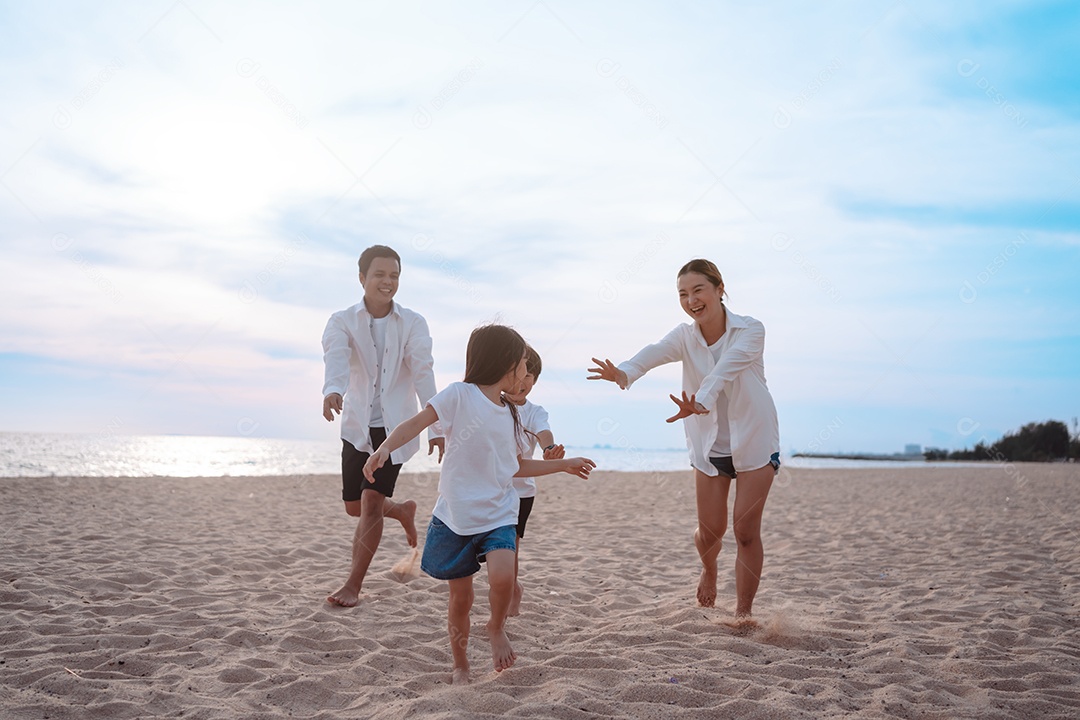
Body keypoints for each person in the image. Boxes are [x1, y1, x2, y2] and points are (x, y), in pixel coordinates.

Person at [364, 324, 595, 684]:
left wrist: (562, 465)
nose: (525, 372)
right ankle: (461, 665)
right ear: (503, 363)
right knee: (461, 600)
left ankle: (496, 627)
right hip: (456, 515)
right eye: (521, 363)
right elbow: (416, 423)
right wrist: (385, 448)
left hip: (499, 511)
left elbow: (515, 466)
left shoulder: (512, 413)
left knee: (503, 575)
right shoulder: (458, 395)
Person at [587, 258, 780, 627]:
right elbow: (653, 352)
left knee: (744, 531)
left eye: (698, 290)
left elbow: (726, 369)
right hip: (709, 446)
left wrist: (700, 402)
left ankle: (743, 614)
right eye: (683, 294)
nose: (691, 300)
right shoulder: (684, 336)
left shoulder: (751, 330)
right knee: (710, 532)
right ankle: (709, 569)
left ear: (720, 289)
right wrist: (624, 371)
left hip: (755, 440)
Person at [321, 244, 445, 608]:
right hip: (357, 423)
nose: (387, 282)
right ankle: (403, 510)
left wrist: (435, 425)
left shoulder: (413, 323)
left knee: (371, 504)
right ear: (362, 278)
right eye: (379, 274)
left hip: (395, 427)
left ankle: (352, 586)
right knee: (354, 507)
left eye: (394, 276)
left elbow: (423, 371)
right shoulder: (341, 321)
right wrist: (332, 390)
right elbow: (336, 358)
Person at [503, 345, 565, 617]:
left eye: (530, 376)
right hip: (489, 487)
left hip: (521, 492)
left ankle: (511, 590)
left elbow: (544, 434)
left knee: (509, 547)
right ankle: (507, 588)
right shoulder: (489, 404)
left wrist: (550, 450)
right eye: (518, 373)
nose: (523, 381)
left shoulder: (535, 412)